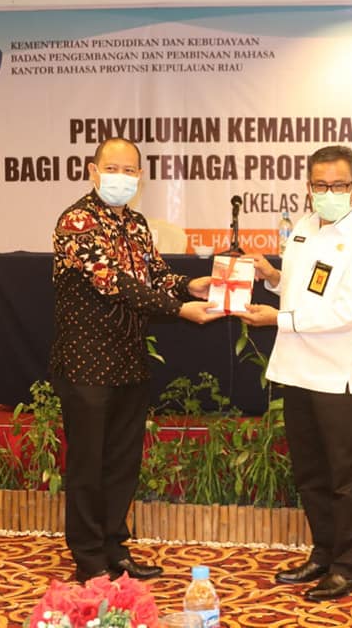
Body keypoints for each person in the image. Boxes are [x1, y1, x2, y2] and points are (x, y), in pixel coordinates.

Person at [50, 137, 222, 584]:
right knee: (88, 464)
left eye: (130, 171)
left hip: (128, 359)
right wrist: (179, 309)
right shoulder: (76, 221)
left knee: (122, 464)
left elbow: (154, 275)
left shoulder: (137, 223)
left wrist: (189, 286)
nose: (121, 178)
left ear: (140, 177)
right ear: (93, 170)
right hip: (86, 362)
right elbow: (115, 283)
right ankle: (89, 557)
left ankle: (115, 547)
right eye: (113, 168)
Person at [240, 145, 352, 601]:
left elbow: (346, 312)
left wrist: (278, 319)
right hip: (297, 367)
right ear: (308, 187)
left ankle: (350, 566)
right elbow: (303, 289)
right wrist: (272, 277)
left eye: (337, 185)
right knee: (310, 472)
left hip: (338, 373)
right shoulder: (304, 228)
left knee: (346, 476)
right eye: (320, 185)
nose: (328, 193)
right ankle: (323, 553)